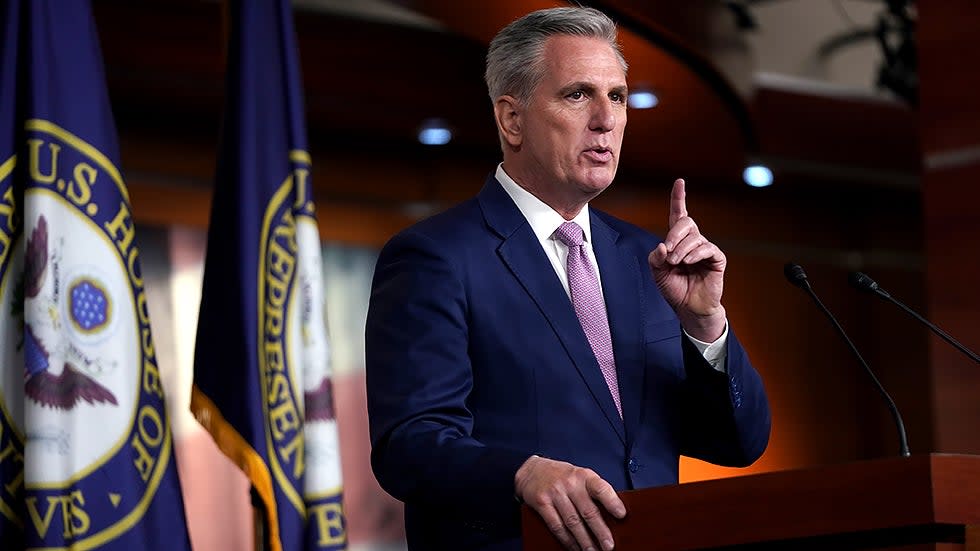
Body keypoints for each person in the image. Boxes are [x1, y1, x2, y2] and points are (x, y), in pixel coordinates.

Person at [365, 6, 771, 551]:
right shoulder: (436, 257)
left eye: (618, 97)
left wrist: (705, 327)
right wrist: (520, 474)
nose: (606, 119)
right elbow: (409, 447)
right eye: (578, 95)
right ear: (511, 119)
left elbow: (738, 442)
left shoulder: (649, 259)